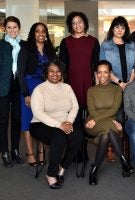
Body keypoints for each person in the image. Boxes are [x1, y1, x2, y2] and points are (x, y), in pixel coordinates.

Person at [30, 59, 82, 189]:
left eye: (58, 71)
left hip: (64, 122)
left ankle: (62, 167)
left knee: (77, 136)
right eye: (51, 71)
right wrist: (59, 124)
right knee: (59, 138)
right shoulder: (39, 89)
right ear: (46, 73)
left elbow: (75, 107)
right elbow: (38, 112)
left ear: (62, 73)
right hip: (40, 123)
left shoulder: (67, 87)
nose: (55, 74)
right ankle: (51, 174)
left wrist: (69, 122)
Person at [85, 60, 134, 185]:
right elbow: (91, 111)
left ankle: (94, 169)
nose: (102, 75)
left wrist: (98, 119)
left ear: (110, 74)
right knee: (112, 127)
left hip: (107, 121)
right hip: (92, 124)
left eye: (105, 72)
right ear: (96, 74)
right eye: (99, 72)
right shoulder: (91, 90)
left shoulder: (117, 89)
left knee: (106, 135)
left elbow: (114, 110)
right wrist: (96, 120)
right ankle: (124, 162)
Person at [18, 22, 55, 166]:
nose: (40, 34)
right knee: (28, 120)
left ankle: (41, 151)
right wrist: (26, 94)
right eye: (37, 31)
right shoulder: (26, 48)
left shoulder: (50, 50)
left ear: (46, 34)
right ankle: (30, 153)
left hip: (45, 88)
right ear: (33, 34)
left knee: (42, 120)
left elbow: (54, 71)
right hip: (29, 87)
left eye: (43, 31)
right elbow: (20, 73)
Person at [59, 11, 100, 129]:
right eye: (74, 23)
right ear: (71, 26)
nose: (77, 25)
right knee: (73, 115)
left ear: (85, 23)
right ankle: (76, 145)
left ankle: (85, 146)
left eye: (80, 22)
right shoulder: (65, 42)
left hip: (88, 83)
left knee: (88, 116)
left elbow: (96, 64)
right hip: (71, 83)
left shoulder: (93, 41)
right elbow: (62, 66)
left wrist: (97, 84)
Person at [0, 16, 25, 168]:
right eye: (9, 27)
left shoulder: (23, 46)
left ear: (19, 28)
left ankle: (15, 150)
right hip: (3, 86)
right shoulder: (1, 45)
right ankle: (4, 152)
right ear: (5, 29)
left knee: (17, 119)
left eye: (15, 27)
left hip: (18, 86)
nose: (12, 30)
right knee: (3, 120)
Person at [100, 16, 135, 90]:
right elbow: (104, 68)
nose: (120, 30)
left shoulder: (131, 45)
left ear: (125, 30)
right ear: (112, 29)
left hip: (130, 85)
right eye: (117, 27)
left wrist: (129, 83)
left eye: (122, 28)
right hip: (112, 85)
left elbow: (134, 67)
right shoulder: (105, 45)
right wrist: (120, 83)